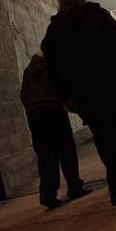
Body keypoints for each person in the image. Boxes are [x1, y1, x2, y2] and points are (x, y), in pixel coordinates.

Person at [41, 0, 116, 206]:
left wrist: (64, 95)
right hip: (108, 88)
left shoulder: (55, 28)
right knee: (114, 135)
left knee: (101, 136)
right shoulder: (99, 16)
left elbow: (53, 66)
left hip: (82, 95)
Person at [20, 51, 91, 210]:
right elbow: (63, 92)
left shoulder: (28, 72)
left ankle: (48, 193)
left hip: (34, 114)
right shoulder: (52, 67)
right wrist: (82, 114)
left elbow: (23, 95)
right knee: (66, 149)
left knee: (45, 154)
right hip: (53, 110)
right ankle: (74, 187)